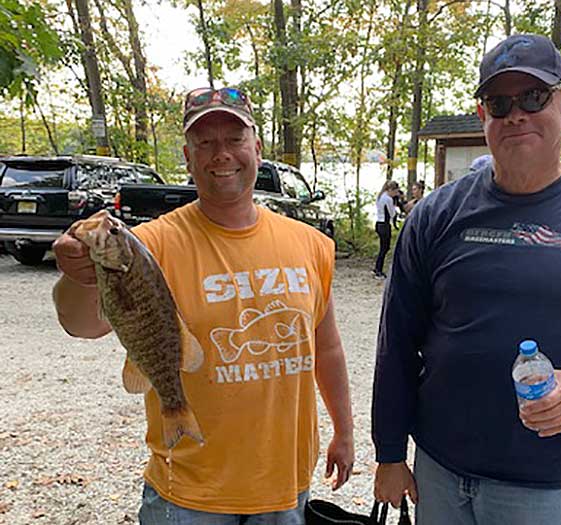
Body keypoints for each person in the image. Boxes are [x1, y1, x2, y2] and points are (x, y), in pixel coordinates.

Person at [371, 34, 561, 524]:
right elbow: (397, 342)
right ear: (483, 116)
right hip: (438, 467)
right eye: (499, 103)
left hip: (540, 482)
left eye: (534, 97)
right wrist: (390, 452)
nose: (515, 114)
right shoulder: (436, 213)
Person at [52, 86, 355, 523]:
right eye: (205, 142)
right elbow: (80, 324)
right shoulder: (150, 244)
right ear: (188, 156)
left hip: (286, 488)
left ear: (257, 146)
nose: (221, 154)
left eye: (234, 139)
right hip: (188, 497)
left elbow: (326, 348)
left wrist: (344, 432)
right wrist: (77, 276)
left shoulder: (310, 244)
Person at [373, 180, 400, 280]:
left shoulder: (380, 196)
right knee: (385, 248)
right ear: (391, 190)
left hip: (378, 223)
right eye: (395, 192)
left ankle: (377, 268)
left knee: (383, 248)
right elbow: (392, 213)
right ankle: (378, 269)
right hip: (384, 225)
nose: (396, 194)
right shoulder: (388, 199)